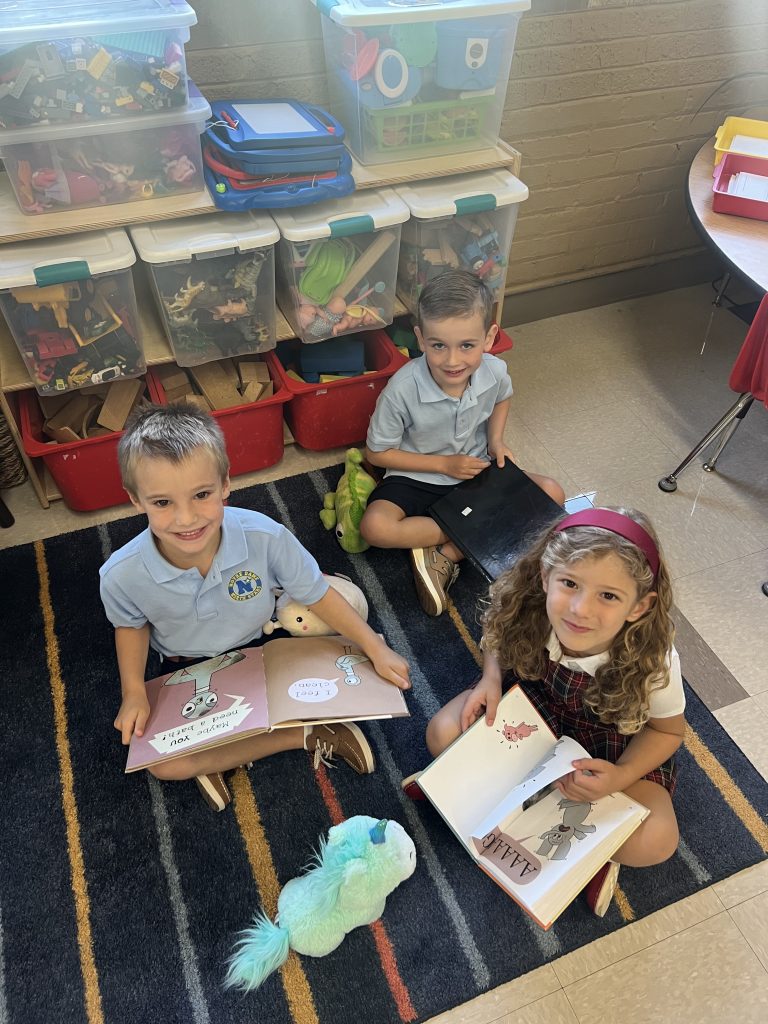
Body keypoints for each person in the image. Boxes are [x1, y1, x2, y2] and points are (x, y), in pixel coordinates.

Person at [100, 403, 410, 811]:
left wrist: (375, 647)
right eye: (162, 503)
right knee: (163, 764)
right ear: (135, 500)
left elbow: (316, 593)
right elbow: (131, 627)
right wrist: (134, 692)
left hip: (268, 639)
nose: (186, 518)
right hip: (189, 667)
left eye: (202, 495)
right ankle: (304, 734)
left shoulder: (266, 536)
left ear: (226, 484)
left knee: (342, 640)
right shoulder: (121, 574)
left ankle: (219, 753)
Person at [403, 507, 684, 917]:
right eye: (569, 583)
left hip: (608, 747)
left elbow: (668, 732)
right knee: (442, 733)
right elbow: (498, 636)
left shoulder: (655, 658)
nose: (580, 610)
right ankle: (472, 797)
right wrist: (490, 680)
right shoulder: (529, 603)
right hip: (535, 710)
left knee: (657, 839)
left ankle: (589, 851)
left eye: (608, 596)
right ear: (544, 576)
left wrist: (621, 776)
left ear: (640, 606)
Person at [360, 269, 565, 616]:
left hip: (475, 470)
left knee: (553, 493)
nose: (452, 360)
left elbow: (503, 397)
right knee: (374, 527)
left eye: (467, 346)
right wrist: (443, 465)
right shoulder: (402, 389)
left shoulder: (495, 370)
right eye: (438, 345)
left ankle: (448, 552)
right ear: (421, 338)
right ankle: (469, 536)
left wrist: (496, 441)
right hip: (418, 475)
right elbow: (376, 453)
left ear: (489, 337)